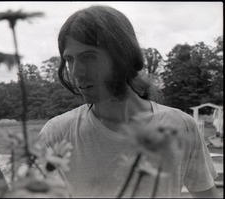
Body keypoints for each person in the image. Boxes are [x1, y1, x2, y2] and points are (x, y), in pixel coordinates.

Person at [38, 5, 219, 198]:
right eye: (70, 59)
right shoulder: (56, 135)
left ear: (122, 56)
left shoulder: (181, 127)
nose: (76, 72)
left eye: (89, 57)